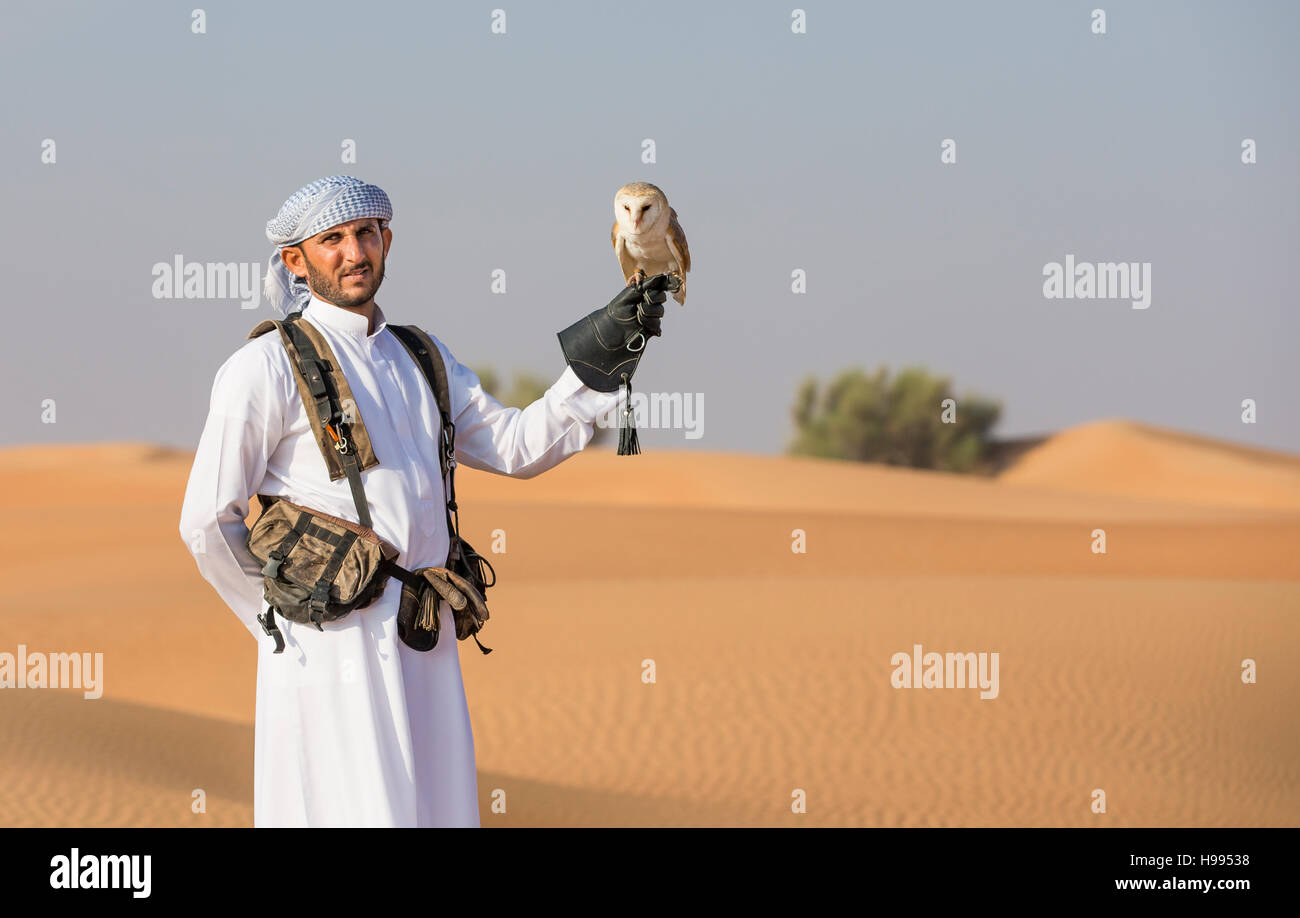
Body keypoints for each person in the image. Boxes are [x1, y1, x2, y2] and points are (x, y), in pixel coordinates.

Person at [178, 174, 669, 827]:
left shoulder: (420, 356)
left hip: (424, 634)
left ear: (386, 239)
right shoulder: (264, 367)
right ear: (295, 260)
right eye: (332, 240)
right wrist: (277, 627)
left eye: (366, 233)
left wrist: (606, 354)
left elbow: (518, 446)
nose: (354, 253)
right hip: (331, 644)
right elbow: (206, 522)